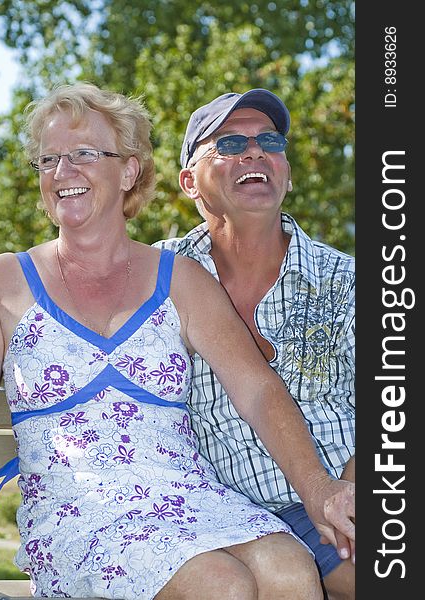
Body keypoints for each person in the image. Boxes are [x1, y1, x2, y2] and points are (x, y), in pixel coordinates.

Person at [0, 82, 352, 600]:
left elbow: (257, 390)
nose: (62, 172)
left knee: (289, 569)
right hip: (80, 510)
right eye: (48, 160)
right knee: (222, 585)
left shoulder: (181, 277)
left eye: (82, 154)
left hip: (189, 498)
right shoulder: (6, 280)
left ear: (128, 170)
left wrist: (321, 493)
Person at [156, 89, 356, 600]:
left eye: (269, 141)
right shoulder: (154, 274)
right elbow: (51, 277)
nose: (254, 152)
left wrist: (353, 496)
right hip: (229, 521)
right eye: (229, 143)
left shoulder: (349, 280)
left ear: (285, 172)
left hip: (345, 492)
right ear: (189, 182)